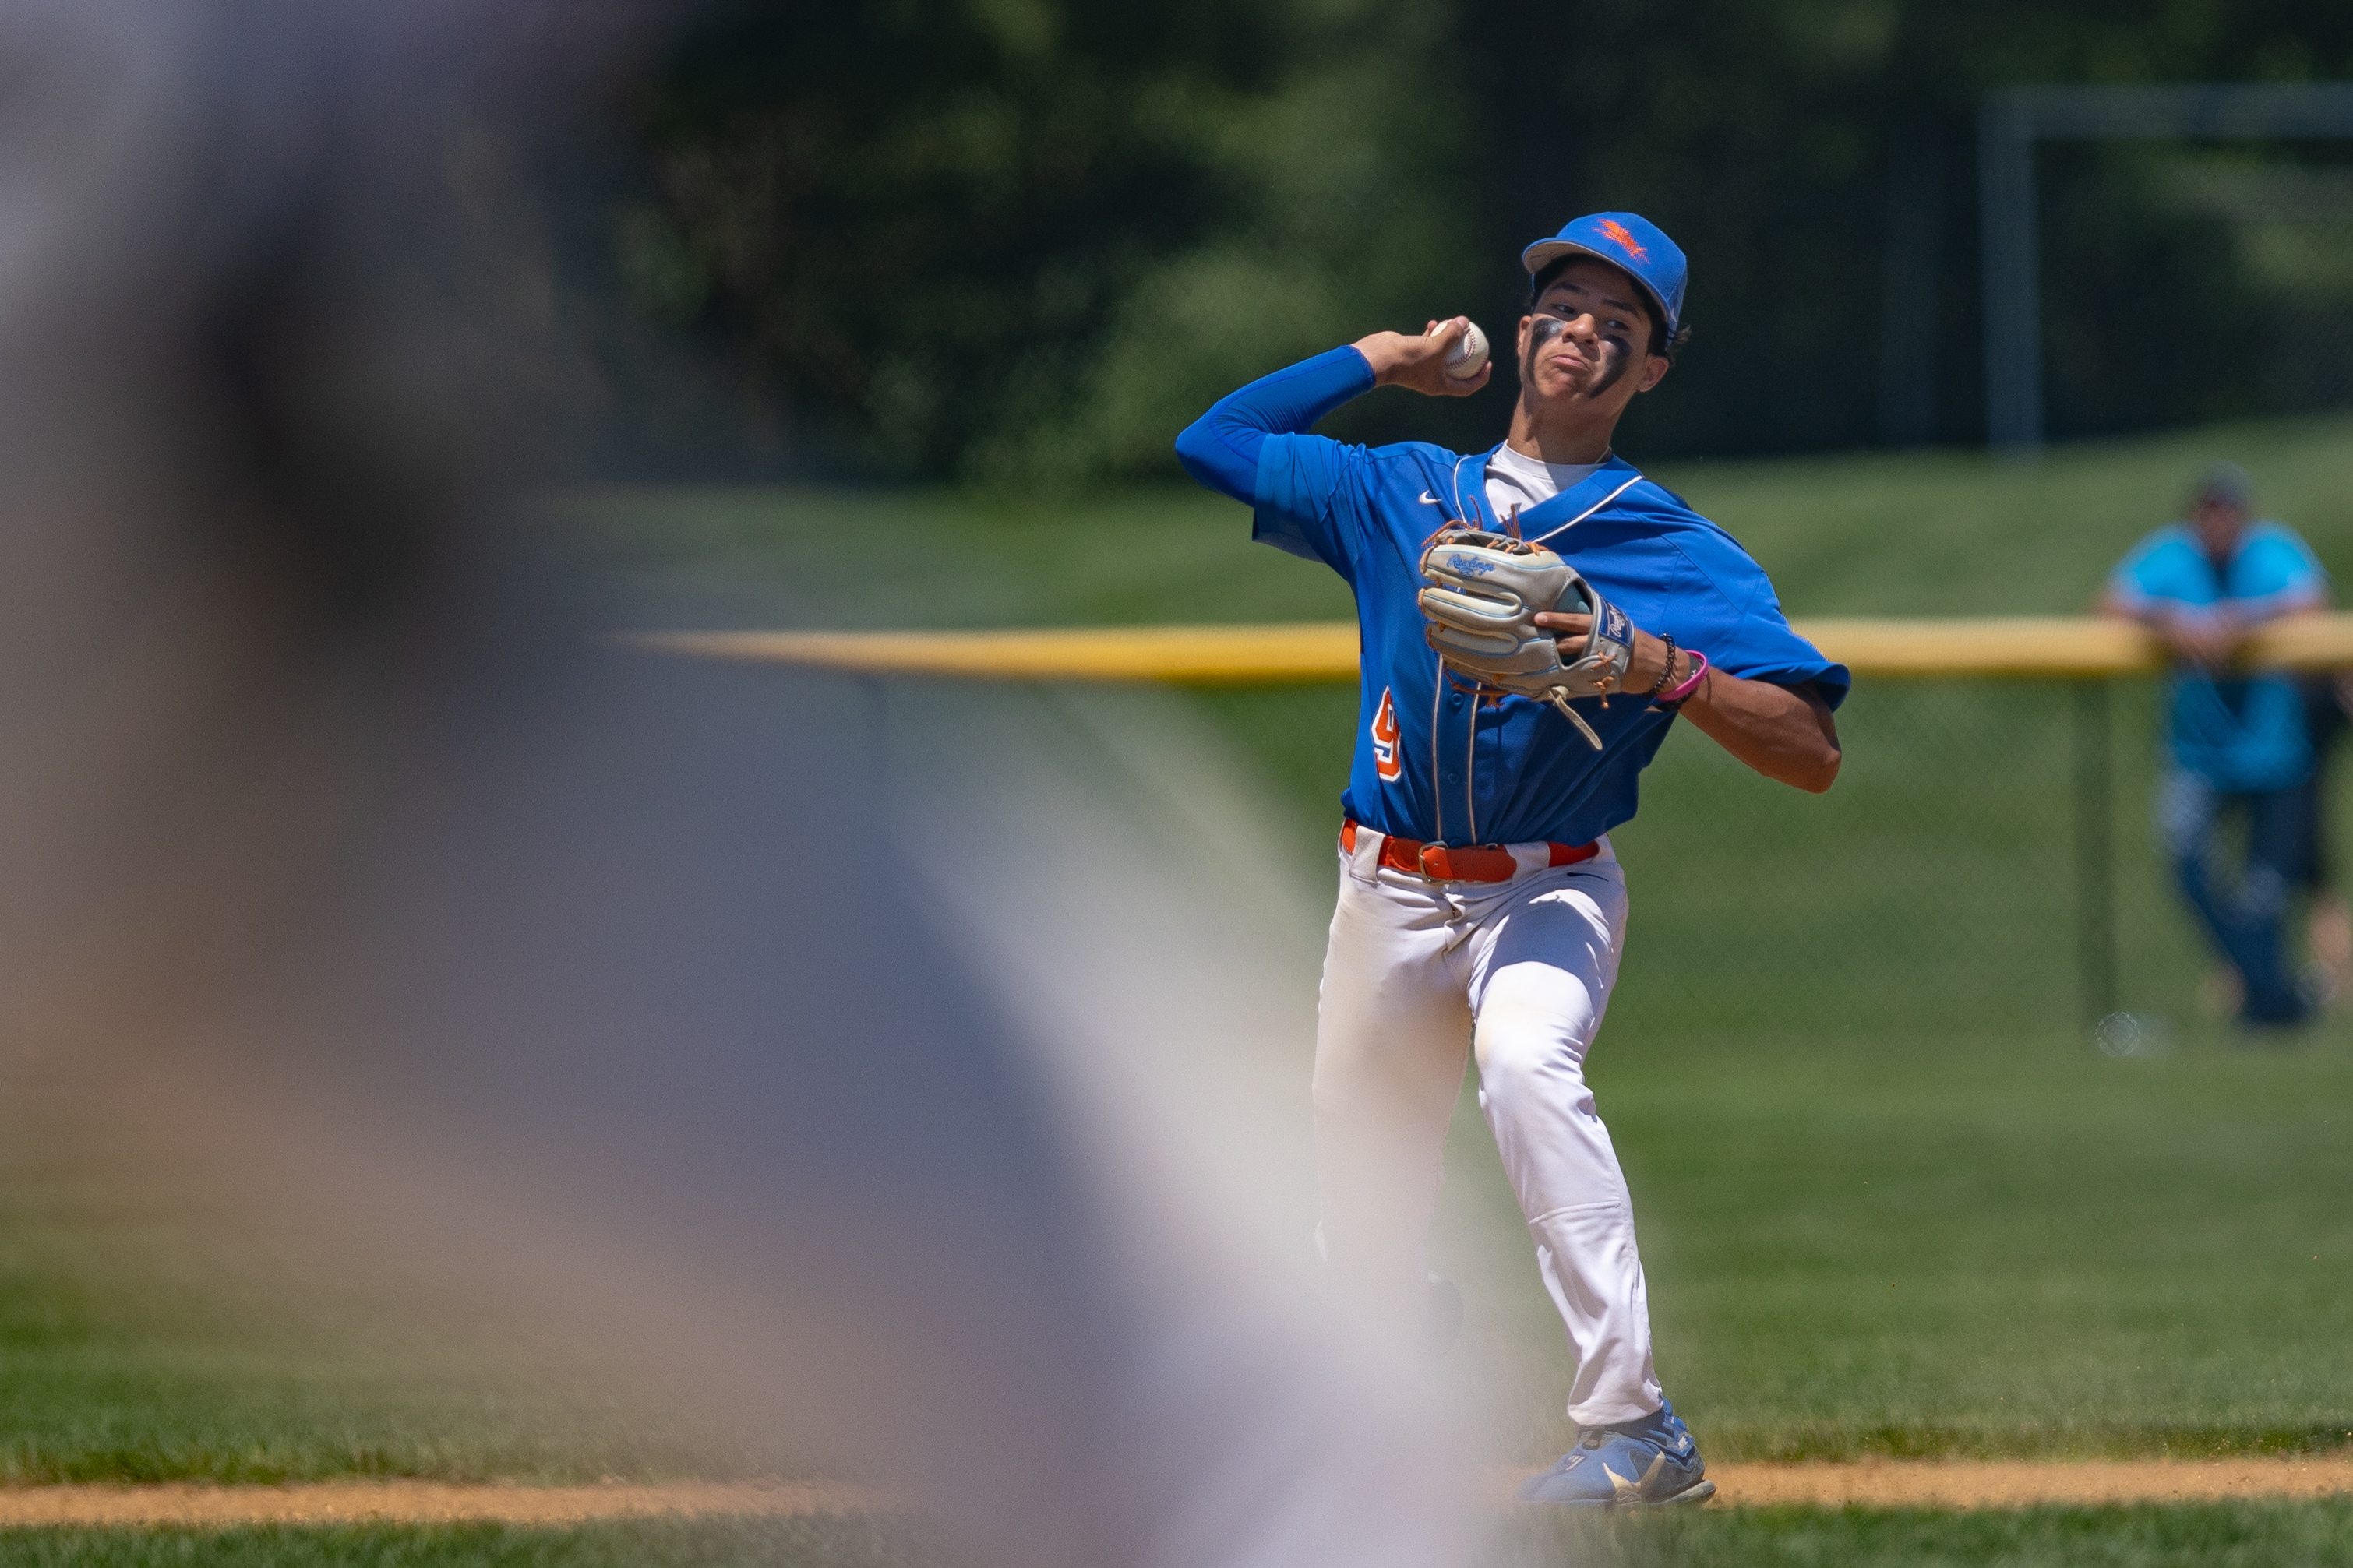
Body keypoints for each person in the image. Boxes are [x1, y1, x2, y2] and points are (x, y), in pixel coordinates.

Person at [1174, 213, 1847, 1507]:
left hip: (1547, 883)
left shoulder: (1665, 544)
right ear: (1524, 326)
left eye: (1621, 324)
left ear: (1652, 369)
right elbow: (1215, 445)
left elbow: (1810, 747)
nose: (1583, 332)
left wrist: (1662, 664)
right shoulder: (1396, 487)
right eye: (1564, 306)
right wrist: (1380, 356)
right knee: (1353, 1210)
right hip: (1382, 891)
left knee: (1524, 1062)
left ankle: (1634, 1424)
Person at [2101, 462, 2330, 1031]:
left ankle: (2268, 1010)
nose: (2219, 522)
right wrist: (2173, 622)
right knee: (2186, 866)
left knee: (2264, 893)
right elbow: (2109, 606)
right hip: (2198, 753)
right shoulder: (2172, 556)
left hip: (2274, 753)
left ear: (2244, 516)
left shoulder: (2272, 552)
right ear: (2194, 516)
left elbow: (2315, 606)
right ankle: (2274, 992)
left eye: (2229, 511)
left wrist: (2244, 622)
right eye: (2209, 511)